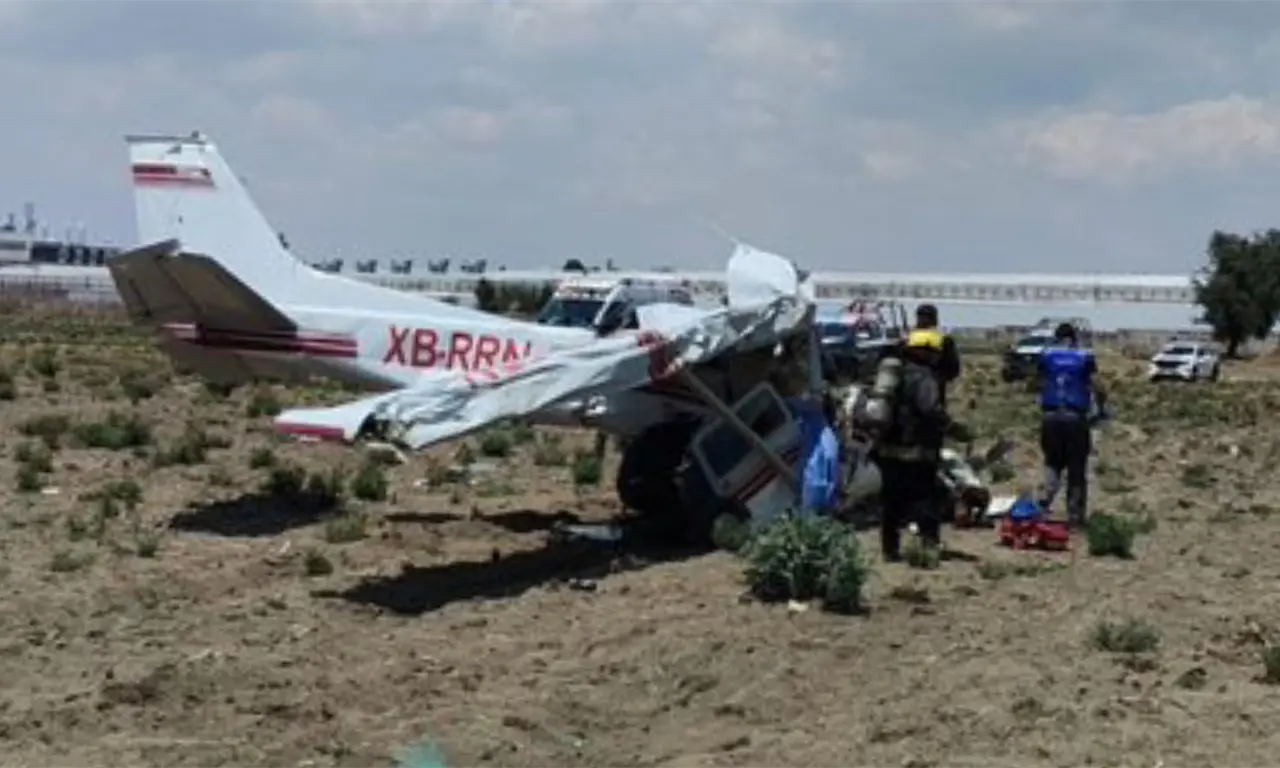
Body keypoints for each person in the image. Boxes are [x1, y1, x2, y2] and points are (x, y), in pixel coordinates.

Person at [872, 328, 955, 562]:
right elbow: (930, 409)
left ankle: (890, 549)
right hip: (918, 451)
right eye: (935, 352)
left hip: (888, 450)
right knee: (926, 497)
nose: (937, 357)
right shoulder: (924, 377)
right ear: (925, 352)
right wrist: (950, 426)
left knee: (892, 501)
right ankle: (928, 546)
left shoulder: (894, 374)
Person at [1036, 321, 1107, 528]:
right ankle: (1075, 516)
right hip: (1076, 417)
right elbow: (1097, 385)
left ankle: (1042, 503)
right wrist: (1101, 408)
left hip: (1050, 416)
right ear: (1074, 337)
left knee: (1052, 463)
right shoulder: (1084, 356)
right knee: (1076, 467)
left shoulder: (1047, 355)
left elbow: (1038, 383)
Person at [914, 303, 960, 406]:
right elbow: (953, 369)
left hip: (912, 396)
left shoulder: (906, 339)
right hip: (932, 391)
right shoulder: (944, 340)